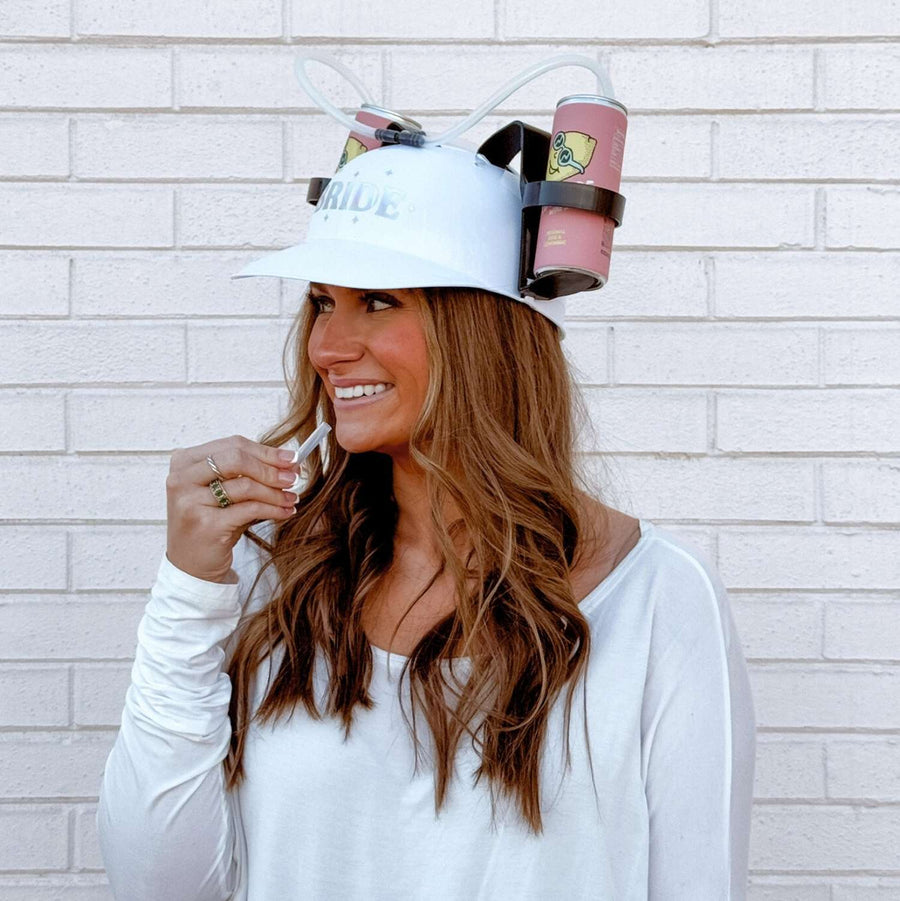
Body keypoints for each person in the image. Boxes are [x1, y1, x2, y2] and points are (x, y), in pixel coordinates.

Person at [96, 137, 757, 899]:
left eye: (379, 301)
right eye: (321, 303)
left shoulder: (660, 602)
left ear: (481, 330)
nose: (328, 347)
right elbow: (158, 885)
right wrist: (188, 589)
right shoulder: (269, 573)